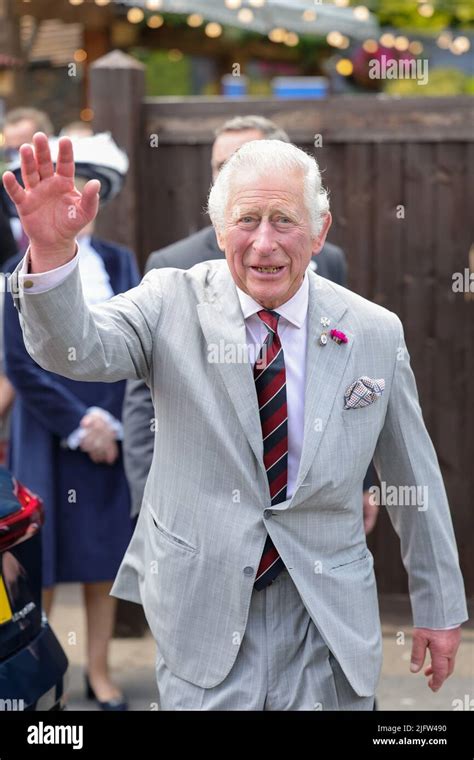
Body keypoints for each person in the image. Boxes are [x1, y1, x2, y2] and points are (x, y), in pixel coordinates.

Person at [3, 134, 467, 711]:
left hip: (327, 620)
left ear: (320, 232)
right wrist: (51, 257)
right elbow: (74, 350)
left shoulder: (375, 331)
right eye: (246, 220)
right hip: (204, 614)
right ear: (220, 230)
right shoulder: (168, 300)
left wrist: (440, 605)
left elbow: (414, 481)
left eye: (285, 220)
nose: (264, 243)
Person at [123, 115, 348, 517]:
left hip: (305, 509)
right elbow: (143, 395)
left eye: (240, 162)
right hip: (203, 505)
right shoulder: (172, 264)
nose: (263, 245)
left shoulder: (328, 262)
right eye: (219, 167)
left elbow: (345, 385)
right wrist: (145, 496)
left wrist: (361, 484)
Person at [3, 133, 137, 710]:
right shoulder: (18, 268)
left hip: (114, 435)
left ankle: (99, 672)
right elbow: (18, 363)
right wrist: (79, 423)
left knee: (104, 558)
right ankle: (34, 669)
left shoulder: (121, 261)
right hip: (50, 432)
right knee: (43, 559)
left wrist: (113, 424)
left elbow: (141, 342)